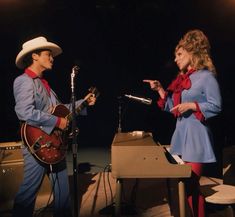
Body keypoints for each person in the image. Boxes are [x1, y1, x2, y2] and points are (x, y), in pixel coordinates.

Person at [12, 36, 96, 217]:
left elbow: (61, 110)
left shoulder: (45, 84)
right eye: (48, 54)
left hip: (54, 143)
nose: (52, 58)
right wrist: (58, 122)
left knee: (63, 193)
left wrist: (84, 102)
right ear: (35, 56)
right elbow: (25, 112)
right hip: (37, 143)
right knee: (28, 192)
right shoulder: (24, 81)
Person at [143, 29, 222, 217]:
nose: (176, 59)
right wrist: (161, 90)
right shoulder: (184, 79)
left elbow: (216, 106)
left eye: (179, 54)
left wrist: (193, 105)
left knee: (190, 185)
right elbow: (174, 108)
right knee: (186, 188)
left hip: (196, 138)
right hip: (181, 136)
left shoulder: (206, 77)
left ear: (192, 52)